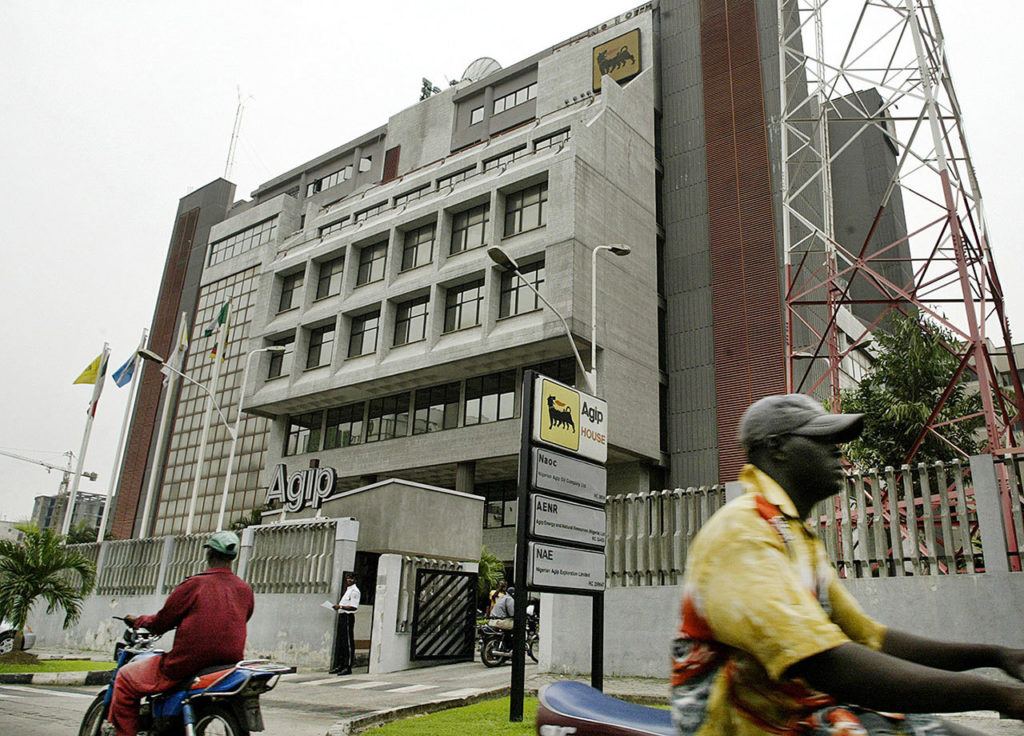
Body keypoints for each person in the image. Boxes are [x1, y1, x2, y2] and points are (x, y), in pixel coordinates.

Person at [670, 393, 1024, 735]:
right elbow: (826, 663)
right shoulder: (742, 533)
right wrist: (1002, 696)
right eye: (821, 438)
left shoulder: (791, 532)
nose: (837, 449)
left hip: (799, 714)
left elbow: (869, 638)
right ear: (776, 448)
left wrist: (994, 656)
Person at [109, 530, 253, 736]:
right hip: (228, 664)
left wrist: (139, 620)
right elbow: (242, 618)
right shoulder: (244, 589)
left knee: (124, 678)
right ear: (233, 558)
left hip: (186, 665)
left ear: (209, 554)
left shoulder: (194, 584)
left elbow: (161, 622)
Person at [330, 573, 360, 675]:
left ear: (355, 580)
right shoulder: (347, 590)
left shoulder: (355, 591)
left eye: (351, 579)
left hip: (348, 616)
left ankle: (348, 666)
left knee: (347, 642)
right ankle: (340, 665)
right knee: (341, 642)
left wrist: (341, 607)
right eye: (347, 579)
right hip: (342, 616)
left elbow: (354, 607)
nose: (349, 580)